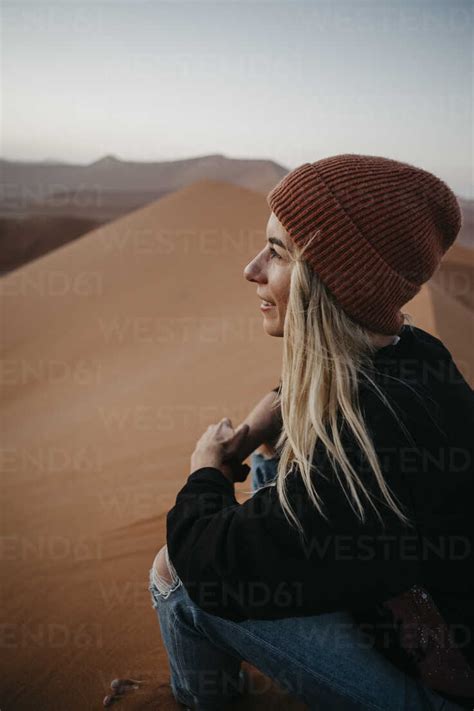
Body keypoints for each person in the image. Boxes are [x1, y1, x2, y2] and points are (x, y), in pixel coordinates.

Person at [147, 154, 474, 710]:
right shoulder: (421, 356)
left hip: (440, 693)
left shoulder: (370, 450)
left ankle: (199, 702)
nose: (251, 269)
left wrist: (205, 469)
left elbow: (207, 560)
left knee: (174, 573)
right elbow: (320, 386)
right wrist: (263, 423)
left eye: (276, 252)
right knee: (281, 450)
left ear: (333, 279)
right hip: (406, 600)